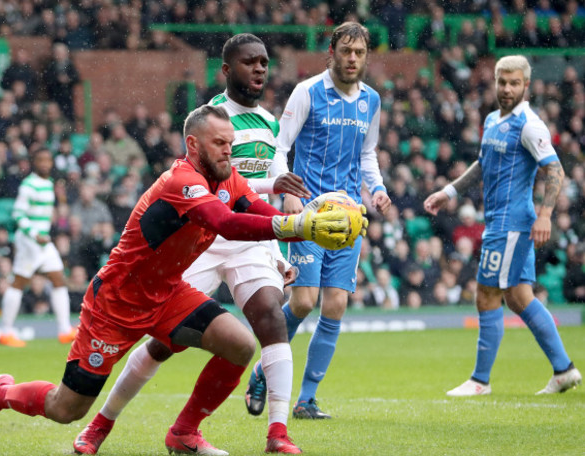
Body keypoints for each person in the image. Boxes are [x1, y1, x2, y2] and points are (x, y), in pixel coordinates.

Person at [0, 105, 357, 456]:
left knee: (239, 345)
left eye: (230, 142)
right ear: (193, 144)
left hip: (167, 294)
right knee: (66, 409)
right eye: (219, 143)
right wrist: (298, 227)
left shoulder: (226, 175)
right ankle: (0, 395)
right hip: (116, 303)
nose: (228, 150)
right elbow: (226, 224)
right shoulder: (182, 181)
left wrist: (292, 233)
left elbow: (251, 207)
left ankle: (184, 432)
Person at [73, 33, 313, 456]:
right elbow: (214, 190)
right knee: (165, 343)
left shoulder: (271, 123)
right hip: (202, 237)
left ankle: (277, 433)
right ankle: (99, 423)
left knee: (270, 319)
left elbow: (262, 196)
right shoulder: (209, 120)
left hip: (248, 236)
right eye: (249, 62)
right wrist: (285, 218)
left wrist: (283, 242)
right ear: (226, 70)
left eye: (263, 63)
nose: (259, 69)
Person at [246, 22, 391, 419]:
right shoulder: (307, 92)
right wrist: (289, 190)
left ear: (366, 56)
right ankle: (262, 369)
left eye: (359, 53)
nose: (352, 59)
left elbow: (367, 154)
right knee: (305, 301)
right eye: (346, 51)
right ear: (332, 52)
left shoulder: (371, 101)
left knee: (336, 306)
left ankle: (306, 399)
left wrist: (376, 188)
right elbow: (280, 145)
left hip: (347, 218)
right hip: (309, 214)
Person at [424, 55, 581, 397]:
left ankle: (480, 381)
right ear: (495, 83)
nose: (507, 89)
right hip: (500, 221)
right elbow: (483, 164)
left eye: (514, 83)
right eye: (502, 82)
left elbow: (555, 171)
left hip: (511, 224)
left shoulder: (530, 125)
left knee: (486, 295)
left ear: (526, 85)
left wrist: (544, 215)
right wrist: (448, 192)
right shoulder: (494, 119)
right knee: (519, 297)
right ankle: (564, 370)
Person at [0, 148, 76, 347]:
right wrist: (34, 234)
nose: (44, 163)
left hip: (43, 241)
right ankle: (6, 332)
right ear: (34, 162)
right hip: (29, 241)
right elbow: (18, 214)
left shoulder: (49, 184)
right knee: (19, 282)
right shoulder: (28, 185)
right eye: (40, 160)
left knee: (58, 278)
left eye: (47, 160)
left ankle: (64, 330)